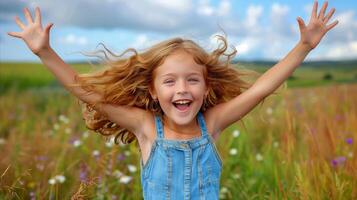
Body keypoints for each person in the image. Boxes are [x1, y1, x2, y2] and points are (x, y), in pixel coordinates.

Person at [8, 1, 338, 199]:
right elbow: (89, 94)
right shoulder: (146, 128)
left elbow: (260, 89)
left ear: (206, 88)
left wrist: (304, 47)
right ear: (153, 91)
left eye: (192, 80)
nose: (182, 89)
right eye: (169, 81)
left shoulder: (212, 123)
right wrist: (44, 52)